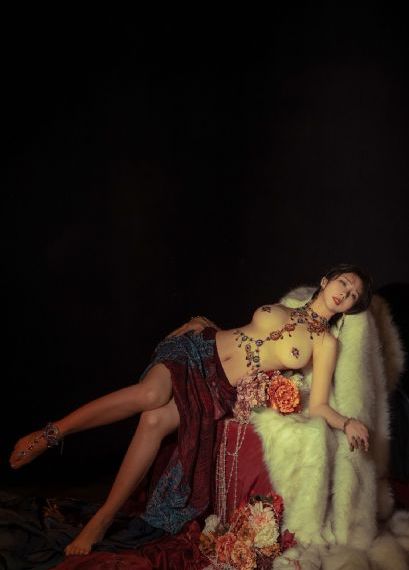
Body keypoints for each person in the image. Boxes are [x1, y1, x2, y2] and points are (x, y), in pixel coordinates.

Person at [8, 263, 373, 557]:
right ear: (326, 280)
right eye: (344, 282)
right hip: (198, 351)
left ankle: (102, 518)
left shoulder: (325, 343)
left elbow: (319, 404)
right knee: (151, 395)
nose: (345, 292)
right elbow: (242, 333)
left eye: (353, 295)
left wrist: (347, 422)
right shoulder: (285, 306)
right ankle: (52, 433)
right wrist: (205, 321)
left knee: (154, 420)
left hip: (216, 390)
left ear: (350, 307)